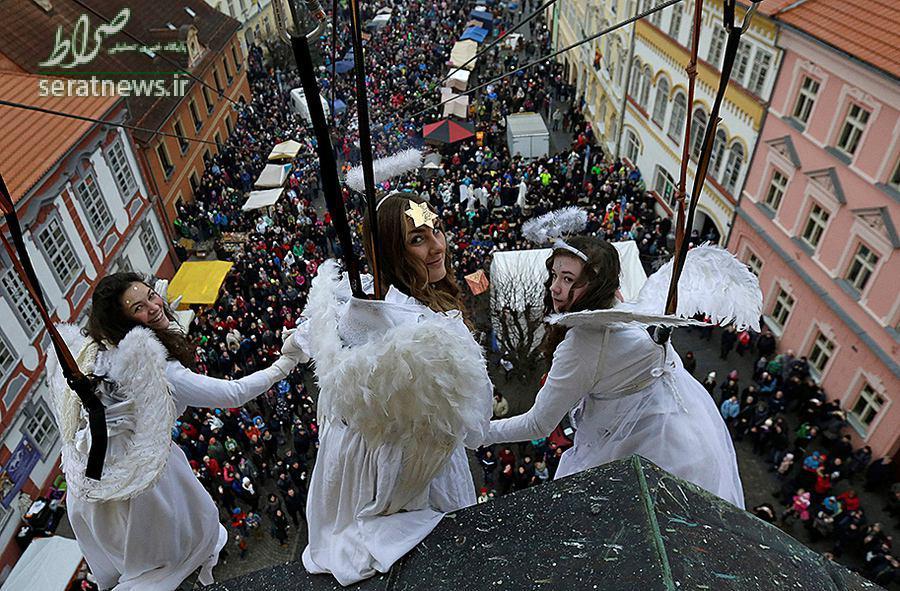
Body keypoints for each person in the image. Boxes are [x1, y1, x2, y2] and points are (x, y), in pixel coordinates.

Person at [46, 272, 305, 590]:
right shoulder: (160, 371)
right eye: (138, 307)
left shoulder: (97, 352)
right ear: (124, 322)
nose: (154, 306)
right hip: (142, 489)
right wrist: (285, 364)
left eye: (151, 295)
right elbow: (233, 394)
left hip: (97, 483)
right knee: (174, 555)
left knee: (133, 568)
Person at [290, 193, 493, 585]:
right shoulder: (418, 327)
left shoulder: (373, 295)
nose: (437, 247)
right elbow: (475, 428)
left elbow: (308, 336)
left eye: (436, 230)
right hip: (404, 477)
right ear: (391, 252)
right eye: (418, 239)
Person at [482, 236, 744, 506]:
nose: (554, 288)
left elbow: (539, 423)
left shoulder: (581, 345)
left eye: (568, 279)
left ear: (596, 285)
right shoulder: (628, 307)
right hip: (690, 433)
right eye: (554, 275)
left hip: (647, 449)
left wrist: (481, 432)